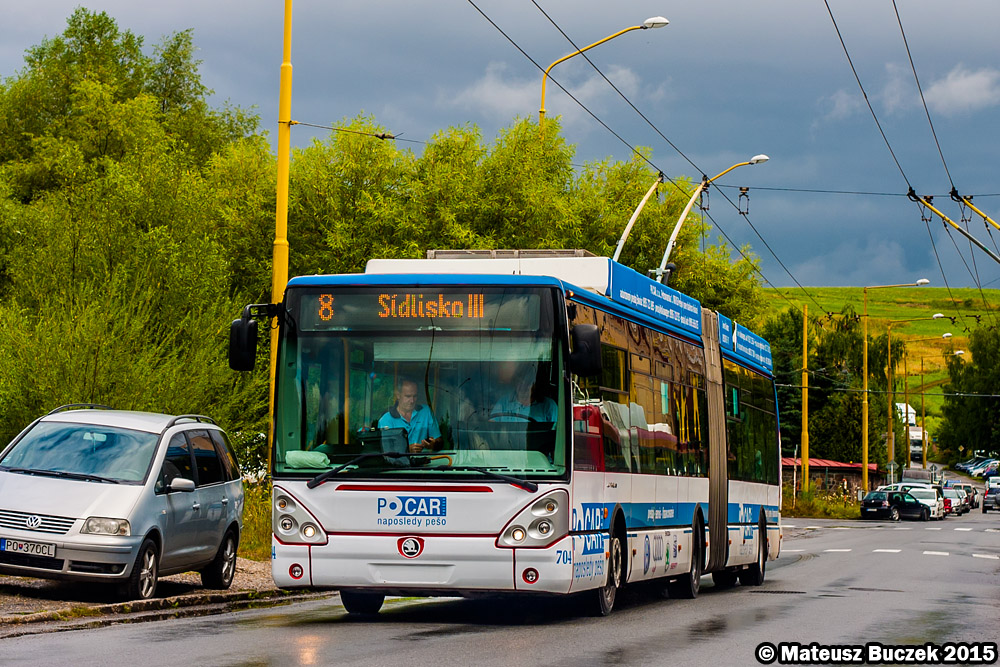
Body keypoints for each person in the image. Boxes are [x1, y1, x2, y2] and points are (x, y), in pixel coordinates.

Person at [378, 378, 442, 453]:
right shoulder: (386, 420)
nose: (412, 401)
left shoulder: (425, 412)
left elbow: (439, 440)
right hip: (400, 464)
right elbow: (385, 451)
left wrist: (433, 445)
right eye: (408, 396)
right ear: (398, 395)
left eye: (415, 396)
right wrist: (406, 449)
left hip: (424, 462)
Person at [489, 362, 557, 423]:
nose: (523, 387)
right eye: (520, 382)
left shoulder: (549, 407)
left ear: (536, 385)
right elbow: (491, 428)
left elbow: (558, 431)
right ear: (515, 382)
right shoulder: (504, 402)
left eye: (528, 383)